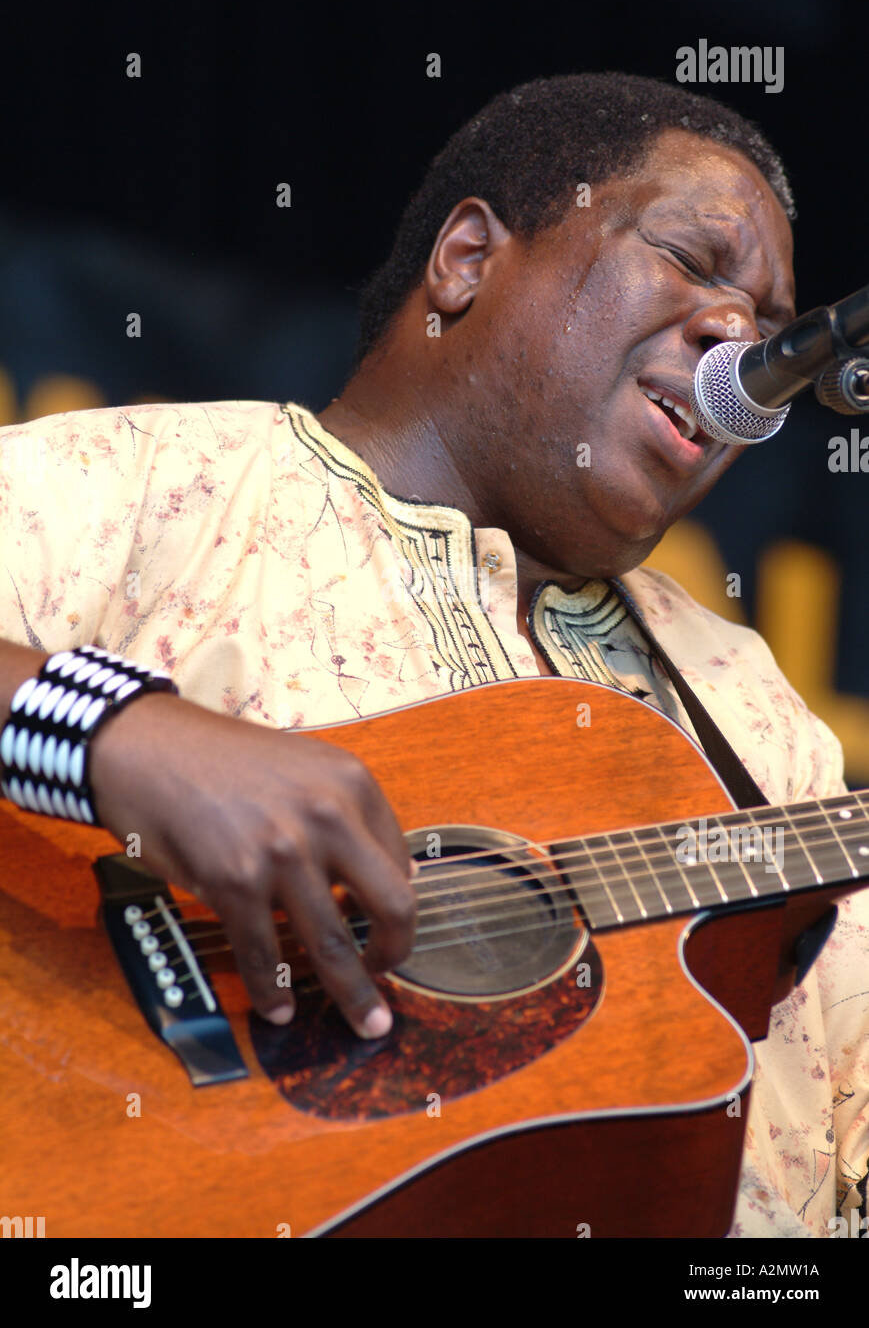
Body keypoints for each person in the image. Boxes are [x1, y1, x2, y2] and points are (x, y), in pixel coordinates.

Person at [0, 73, 867, 1238]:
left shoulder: (756, 717)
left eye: (767, 326)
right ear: (464, 259)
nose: (738, 340)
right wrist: (112, 731)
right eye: (693, 264)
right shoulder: (149, 489)